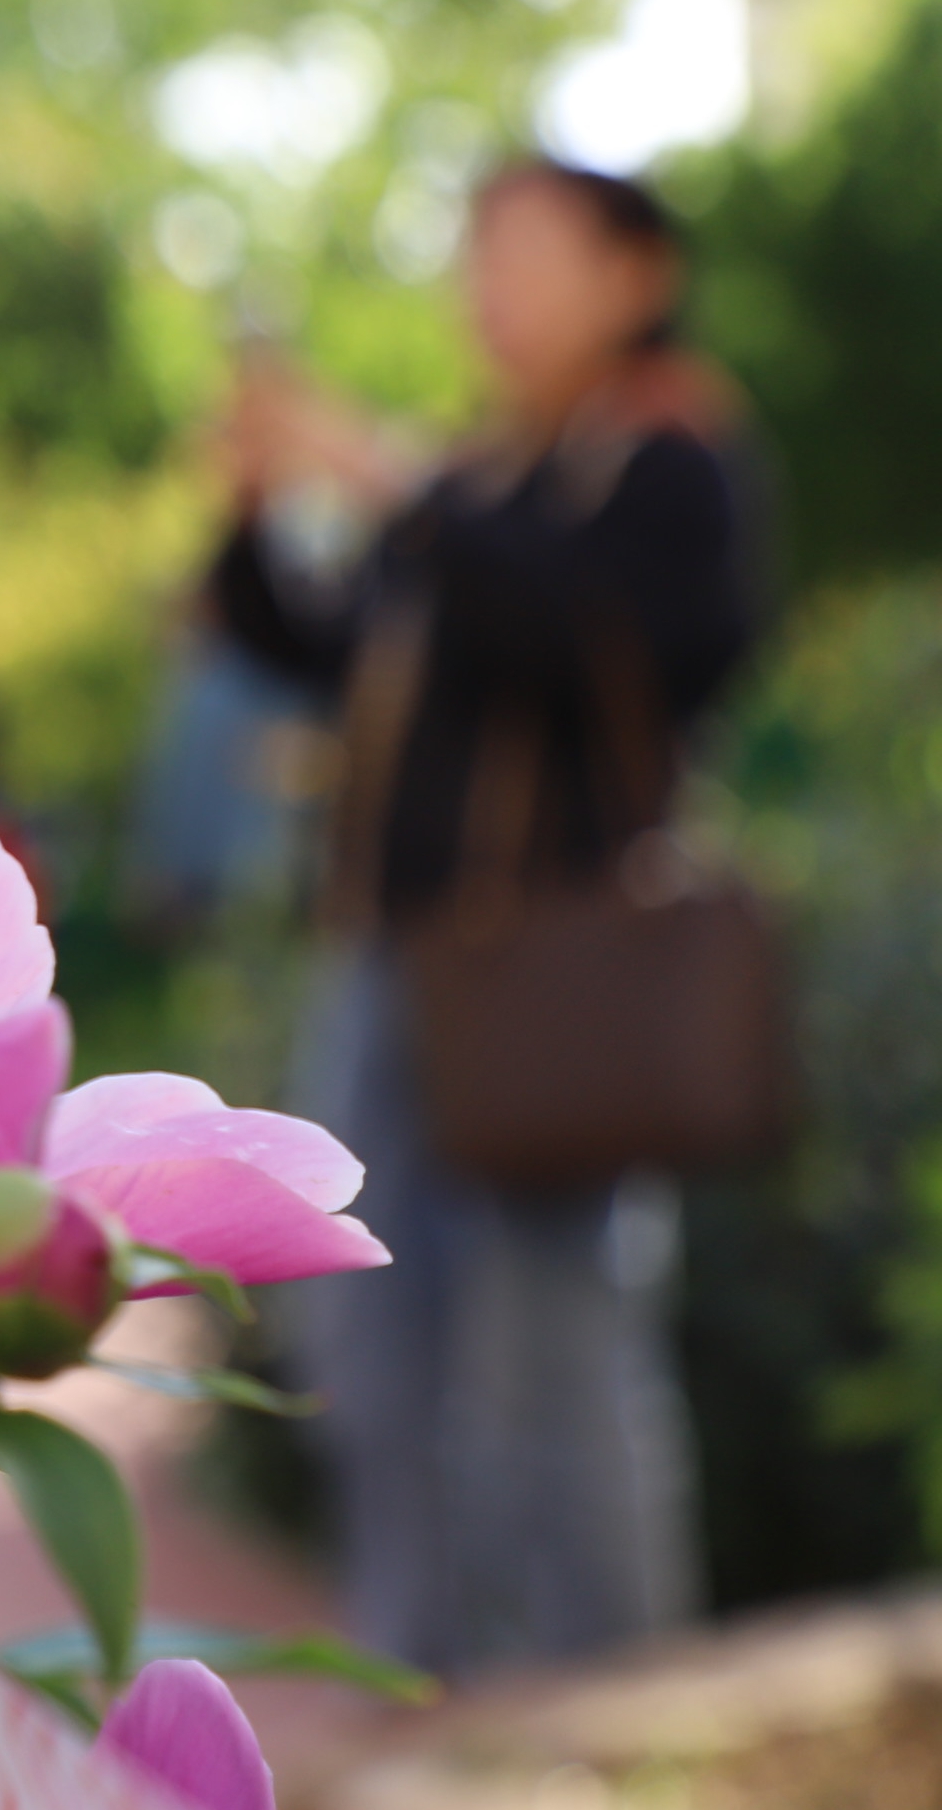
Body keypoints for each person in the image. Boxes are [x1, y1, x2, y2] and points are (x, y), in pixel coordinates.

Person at [210, 157, 764, 1676]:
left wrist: (392, 480)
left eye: (525, 249)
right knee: (367, 1353)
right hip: (391, 968)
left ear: (635, 275)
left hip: (553, 979)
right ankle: (424, 1688)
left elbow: (619, 642)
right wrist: (254, 511)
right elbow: (322, 647)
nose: (489, 286)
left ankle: (621, 1706)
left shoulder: (668, 462)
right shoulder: (472, 485)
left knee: (555, 1357)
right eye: (480, 252)